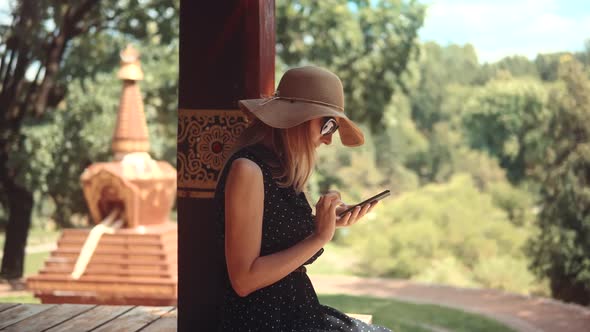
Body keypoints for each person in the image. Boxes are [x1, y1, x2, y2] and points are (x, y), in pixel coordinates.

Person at [214, 66, 391, 331]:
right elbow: (244, 279)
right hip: (266, 322)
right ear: (297, 118)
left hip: (294, 313)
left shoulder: (277, 170)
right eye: (329, 124)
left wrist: (326, 221)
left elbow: (271, 237)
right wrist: (318, 237)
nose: (330, 139)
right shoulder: (248, 170)